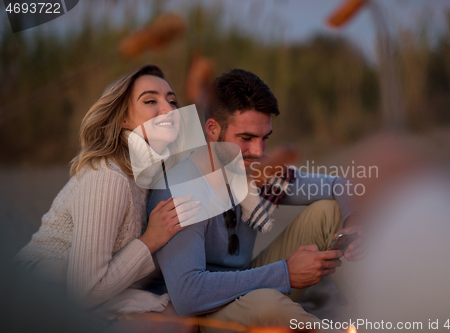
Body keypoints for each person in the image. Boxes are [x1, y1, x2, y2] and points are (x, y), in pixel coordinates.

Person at [148, 68, 365, 331]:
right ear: (213, 130)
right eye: (246, 138)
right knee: (267, 304)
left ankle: (389, 310)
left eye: (265, 139)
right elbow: (187, 295)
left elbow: (341, 185)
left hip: (247, 282)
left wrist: (353, 222)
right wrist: (285, 273)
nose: (258, 151)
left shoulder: (258, 171)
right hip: (200, 316)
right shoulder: (183, 186)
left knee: (330, 212)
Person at [14, 64, 198, 331]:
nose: (169, 110)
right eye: (150, 101)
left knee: (182, 317)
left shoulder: (151, 172)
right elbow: (85, 290)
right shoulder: (108, 176)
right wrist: (151, 239)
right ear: (123, 118)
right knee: (174, 321)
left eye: (172, 101)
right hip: (38, 290)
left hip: (98, 291)